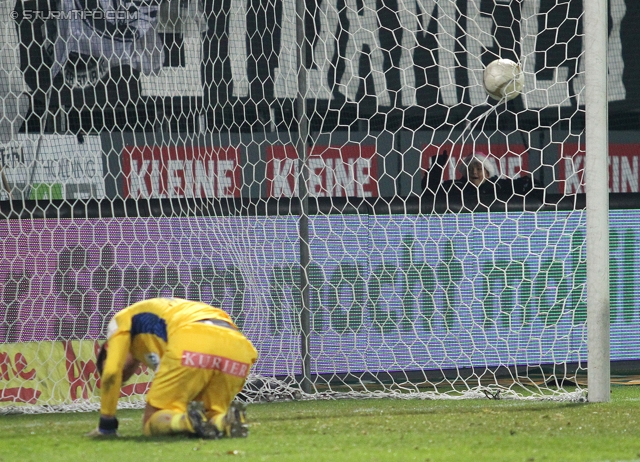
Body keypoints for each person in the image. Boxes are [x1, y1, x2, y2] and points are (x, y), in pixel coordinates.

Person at [87, 297, 258, 439]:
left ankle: (186, 422)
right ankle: (226, 421)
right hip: (238, 347)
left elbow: (111, 373)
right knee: (210, 414)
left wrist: (106, 425)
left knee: (151, 420)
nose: (124, 376)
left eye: (123, 375)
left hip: (193, 337)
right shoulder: (158, 330)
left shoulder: (122, 319)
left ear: (108, 349)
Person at [421, 150, 536, 200]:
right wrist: (437, 167)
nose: (474, 172)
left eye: (479, 169)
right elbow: (430, 191)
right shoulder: (455, 188)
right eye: (470, 169)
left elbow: (527, 184)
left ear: (487, 173)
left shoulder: (499, 186)